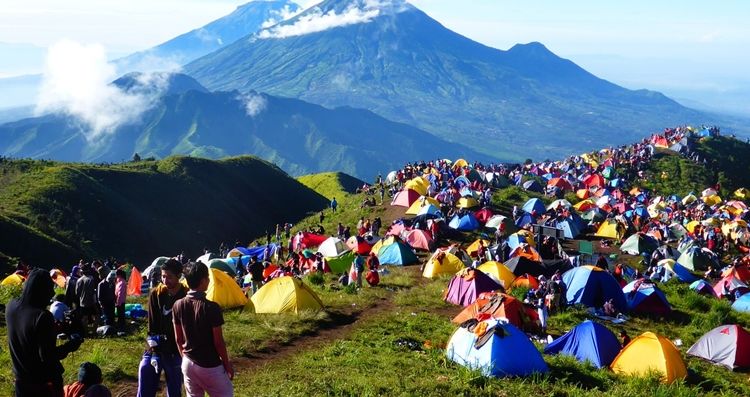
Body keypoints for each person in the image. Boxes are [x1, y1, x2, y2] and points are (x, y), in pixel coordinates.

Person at [7, 269, 84, 396]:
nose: (52, 293)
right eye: (49, 289)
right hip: (42, 384)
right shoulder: (42, 317)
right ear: (41, 291)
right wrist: (71, 345)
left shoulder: (11, 306)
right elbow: (48, 357)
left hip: (20, 380)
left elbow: (27, 334)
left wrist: (52, 330)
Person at [173, 261, 234, 397]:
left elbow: (178, 339)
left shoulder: (177, 305)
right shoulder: (211, 307)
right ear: (203, 281)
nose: (209, 280)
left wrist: (185, 358)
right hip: (209, 364)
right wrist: (227, 364)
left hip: (188, 362)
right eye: (208, 277)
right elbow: (218, 343)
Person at [137, 259, 187, 397]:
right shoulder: (156, 294)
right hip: (156, 345)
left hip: (177, 349)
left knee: (175, 381)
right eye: (163, 276)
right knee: (145, 368)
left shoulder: (185, 296)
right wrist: (153, 351)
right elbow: (152, 325)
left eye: (169, 277)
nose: (165, 280)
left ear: (179, 276)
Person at [76, 265, 98, 335]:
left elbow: (77, 293)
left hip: (82, 302)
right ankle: (94, 331)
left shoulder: (79, 280)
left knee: (84, 318)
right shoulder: (91, 279)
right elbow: (93, 291)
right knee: (97, 316)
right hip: (91, 302)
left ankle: (86, 332)